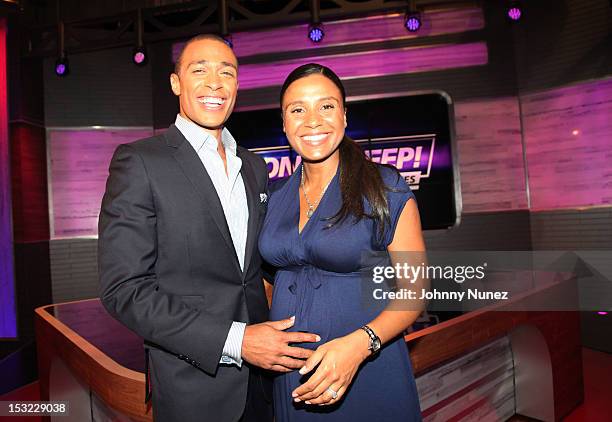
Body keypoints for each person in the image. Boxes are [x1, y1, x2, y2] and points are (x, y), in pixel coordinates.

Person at [98, 35, 319, 422]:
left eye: (226, 72)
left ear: (237, 85)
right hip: (194, 389)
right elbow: (124, 290)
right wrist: (238, 341)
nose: (215, 82)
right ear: (175, 82)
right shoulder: (140, 162)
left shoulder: (254, 167)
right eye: (199, 70)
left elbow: (259, 268)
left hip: (267, 381)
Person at [258, 63, 426, 421]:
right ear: (284, 122)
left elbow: (414, 291)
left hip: (368, 372)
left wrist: (360, 345)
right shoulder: (274, 197)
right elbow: (267, 282)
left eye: (327, 106)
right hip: (293, 379)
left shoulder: (385, 187)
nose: (313, 120)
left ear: (345, 115)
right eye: (298, 109)